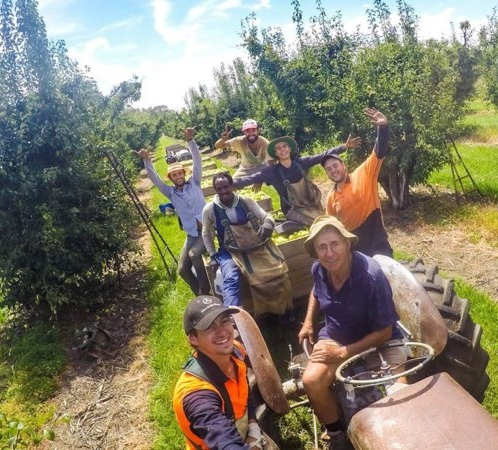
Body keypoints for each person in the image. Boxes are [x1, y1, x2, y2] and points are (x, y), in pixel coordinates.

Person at [297, 215, 406, 450]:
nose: (329, 253)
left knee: (399, 394)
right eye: (321, 247)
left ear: (347, 243)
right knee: (311, 381)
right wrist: (308, 322)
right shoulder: (320, 269)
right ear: (316, 252)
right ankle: (337, 434)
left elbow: (385, 332)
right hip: (337, 335)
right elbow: (316, 291)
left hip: (379, 341)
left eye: (334, 244)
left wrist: (342, 353)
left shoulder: (372, 277)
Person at [172, 295, 278, 450]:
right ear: (193, 338)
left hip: (245, 431)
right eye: (210, 327)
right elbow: (223, 440)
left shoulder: (236, 351)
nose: (222, 332)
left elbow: (245, 388)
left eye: (225, 321)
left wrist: (253, 427)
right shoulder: (196, 394)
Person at [201, 172, 292, 319]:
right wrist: (212, 255)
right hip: (230, 250)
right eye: (219, 188)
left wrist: (268, 224)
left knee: (278, 269)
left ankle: (284, 310)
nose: (223, 191)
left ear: (232, 186)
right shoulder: (210, 209)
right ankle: (234, 319)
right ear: (215, 190)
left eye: (226, 187)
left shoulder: (246, 201)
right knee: (230, 277)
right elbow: (206, 233)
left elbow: (266, 216)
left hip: (255, 244)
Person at [232, 134, 362, 232]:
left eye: (284, 146)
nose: (282, 150)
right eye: (278, 148)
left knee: (328, 220)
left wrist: (344, 147)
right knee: (325, 223)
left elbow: (322, 155)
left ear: (289, 149)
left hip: (312, 205)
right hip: (293, 209)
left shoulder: (301, 163)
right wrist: (230, 183)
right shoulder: (272, 171)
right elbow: (250, 178)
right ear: (275, 153)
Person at [136, 127, 210, 295]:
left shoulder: (195, 182)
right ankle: (198, 292)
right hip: (192, 234)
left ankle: (205, 292)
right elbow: (154, 179)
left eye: (179, 174)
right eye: (174, 175)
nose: (178, 177)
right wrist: (147, 161)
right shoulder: (170, 192)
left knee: (195, 254)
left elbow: (197, 161)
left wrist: (191, 141)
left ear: (184, 173)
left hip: (207, 230)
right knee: (183, 269)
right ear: (170, 178)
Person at [321, 107, 393, 257]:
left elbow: (379, 151)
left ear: (344, 166)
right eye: (328, 169)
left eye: (335, 165)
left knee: (387, 278)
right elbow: (330, 225)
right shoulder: (331, 198)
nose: (333, 170)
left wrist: (383, 128)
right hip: (354, 249)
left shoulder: (364, 173)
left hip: (377, 242)